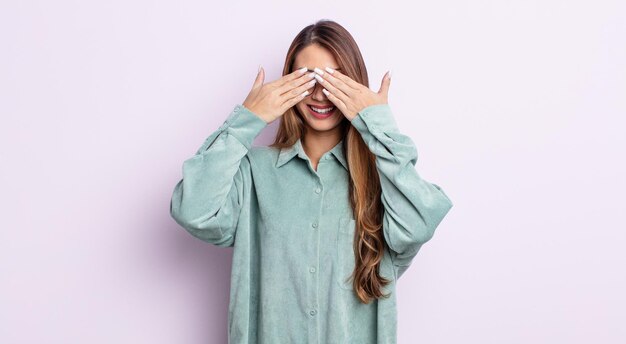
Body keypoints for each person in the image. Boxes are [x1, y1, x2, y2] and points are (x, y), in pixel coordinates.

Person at [170, 19, 453, 344]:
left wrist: (379, 125)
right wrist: (247, 118)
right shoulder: (252, 171)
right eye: (307, 79)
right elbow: (193, 209)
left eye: (332, 79)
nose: (320, 94)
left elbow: (419, 225)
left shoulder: (384, 178)